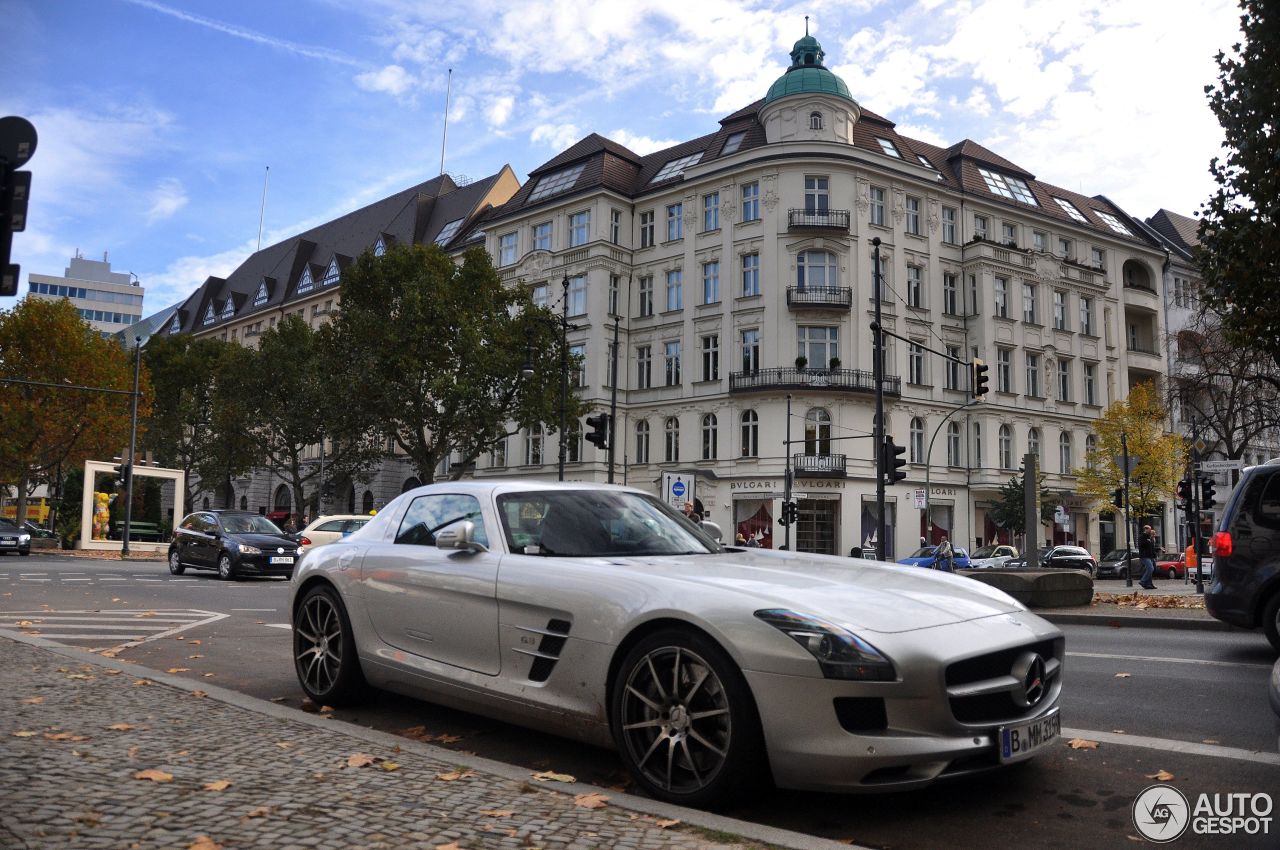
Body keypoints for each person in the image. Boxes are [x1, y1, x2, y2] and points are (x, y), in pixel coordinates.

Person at [1138, 525, 1158, 589]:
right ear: (1145, 529)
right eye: (1149, 529)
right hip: (1144, 556)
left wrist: (1154, 555)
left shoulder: (1149, 537)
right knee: (1150, 569)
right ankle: (1143, 581)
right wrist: (1148, 541)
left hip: (1150, 556)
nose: (1150, 530)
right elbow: (1141, 545)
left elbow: (1151, 548)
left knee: (1150, 570)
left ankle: (1149, 584)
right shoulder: (1142, 536)